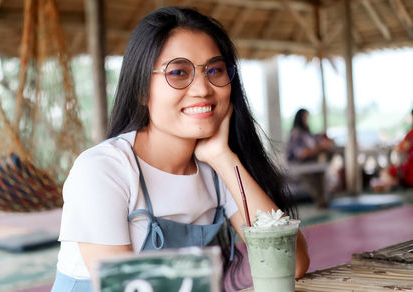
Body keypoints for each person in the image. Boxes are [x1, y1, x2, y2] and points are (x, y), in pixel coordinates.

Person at [52, 7, 310, 291]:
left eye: (215, 70)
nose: (202, 88)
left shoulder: (215, 171)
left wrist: (222, 158)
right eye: (178, 72)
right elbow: (123, 287)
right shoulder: (102, 170)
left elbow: (293, 263)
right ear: (141, 90)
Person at [286, 108, 335, 208]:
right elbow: (301, 153)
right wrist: (319, 147)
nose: (307, 120)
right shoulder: (297, 133)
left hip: (311, 164)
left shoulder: (307, 133)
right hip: (299, 165)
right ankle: (321, 201)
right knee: (313, 178)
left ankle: (323, 201)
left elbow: (318, 143)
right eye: (305, 117)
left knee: (320, 176)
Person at [371, 109, 413, 191]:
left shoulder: (411, 134)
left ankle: (389, 186)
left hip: (410, 172)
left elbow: (399, 148)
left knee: (386, 172)